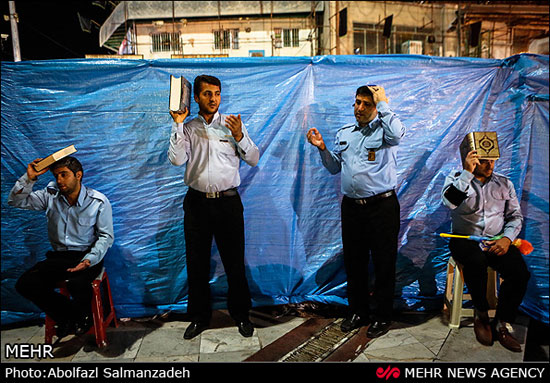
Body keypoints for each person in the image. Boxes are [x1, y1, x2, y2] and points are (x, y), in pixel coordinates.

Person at [307, 85, 405, 338]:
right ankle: (358, 311)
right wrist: (322, 148)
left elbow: (397, 135)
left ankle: (382, 316)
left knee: (384, 263)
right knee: (354, 262)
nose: (359, 109)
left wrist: (383, 102)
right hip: (352, 208)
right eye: (357, 103)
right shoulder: (346, 134)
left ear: (376, 107)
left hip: (382, 207)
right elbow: (334, 168)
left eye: (366, 104)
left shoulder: (387, 131)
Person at [168, 74, 260, 340]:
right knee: (196, 264)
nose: (213, 99)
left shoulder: (232, 125)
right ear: (195, 97)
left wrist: (240, 135)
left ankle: (241, 315)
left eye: (217, 94)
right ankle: (199, 317)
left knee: (234, 263)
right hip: (197, 204)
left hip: (228, 204)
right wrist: (177, 124)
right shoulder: (188, 128)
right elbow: (177, 160)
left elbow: (253, 158)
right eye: (207, 94)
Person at [8, 156, 114, 339]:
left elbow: (106, 237)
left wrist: (89, 260)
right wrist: (29, 177)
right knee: (25, 283)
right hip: (59, 258)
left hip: (87, 255)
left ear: (78, 175)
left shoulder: (98, 201)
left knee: (77, 283)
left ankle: (74, 319)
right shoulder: (49, 196)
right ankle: (73, 317)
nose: (59, 180)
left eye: (64, 175)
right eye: (57, 175)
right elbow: (15, 201)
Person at [442, 149, 530, 352]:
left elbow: (515, 216)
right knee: (476, 262)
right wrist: (467, 173)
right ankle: (481, 313)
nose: (490, 165)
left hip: (497, 239)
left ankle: (501, 322)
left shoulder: (504, 183)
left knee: (520, 273)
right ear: (471, 160)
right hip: (464, 239)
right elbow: (449, 202)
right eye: (483, 161)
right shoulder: (456, 179)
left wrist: (507, 239)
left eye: (492, 161)